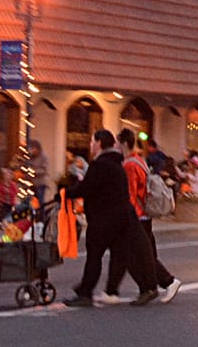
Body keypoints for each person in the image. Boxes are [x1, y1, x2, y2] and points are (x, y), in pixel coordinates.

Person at [63, 130, 156, 307]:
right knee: (122, 255)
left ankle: (86, 293)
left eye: (92, 141)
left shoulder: (100, 165)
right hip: (121, 217)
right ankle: (134, 289)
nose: (90, 145)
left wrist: (64, 193)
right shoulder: (116, 164)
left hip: (104, 219)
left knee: (95, 256)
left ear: (99, 143)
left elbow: (86, 188)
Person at [103, 129, 180, 305]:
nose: (115, 146)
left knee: (139, 255)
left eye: (117, 143)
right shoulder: (139, 160)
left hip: (136, 215)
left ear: (124, 144)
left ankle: (164, 283)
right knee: (139, 254)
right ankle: (127, 289)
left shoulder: (129, 165)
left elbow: (129, 193)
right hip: (143, 214)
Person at [23, 140, 52, 205]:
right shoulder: (30, 157)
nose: (33, 150)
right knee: (31, 201)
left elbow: (44, 170)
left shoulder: (44, 157)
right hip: (31, 183)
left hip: (40, 183)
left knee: (40, 201)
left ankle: (40, 211)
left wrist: (33, 171)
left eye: (34, 148)